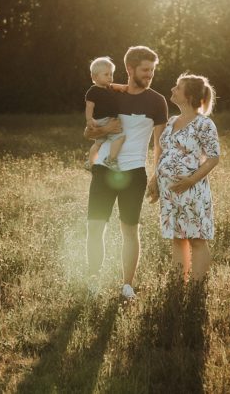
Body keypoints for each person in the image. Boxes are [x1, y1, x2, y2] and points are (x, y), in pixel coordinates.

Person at [83, 46, 168, 299]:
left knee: (130, 230)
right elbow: (88, 132)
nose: (149, 74)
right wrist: (103, 130)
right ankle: (93, 282)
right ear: (130, 69)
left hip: (134, 173)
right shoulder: (109, 94)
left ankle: (127, 286)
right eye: (145, 70)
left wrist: (156, 176)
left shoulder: (157, 101)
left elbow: (159, 145)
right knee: (94, 227)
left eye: (152, 70)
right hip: (104, 170)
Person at [151, 73, 220, 282]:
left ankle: (196, 288)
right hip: (169, 191)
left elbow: (213, 158)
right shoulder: (172, 121)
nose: (172, 90)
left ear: (189, 96)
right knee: (177, 237)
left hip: (192, 189)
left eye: (177, 87)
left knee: (196, 238)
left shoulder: (204, 124)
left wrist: (190, 180)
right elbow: (163, 152)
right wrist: (155, 179)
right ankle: (177, 285)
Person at [84, 57, 126, 170]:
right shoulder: (93, 91)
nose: (110, 77)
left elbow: (115, 86)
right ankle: (111, 160)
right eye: (106, 74)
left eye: (111, 74)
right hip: (103, 120)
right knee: (120, 137)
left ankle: (90, 162)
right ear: (95, 77)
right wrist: (89, 119)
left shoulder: (109, 88)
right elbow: (89, 107)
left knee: (98, 143)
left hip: (106, 120)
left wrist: (122, 87)